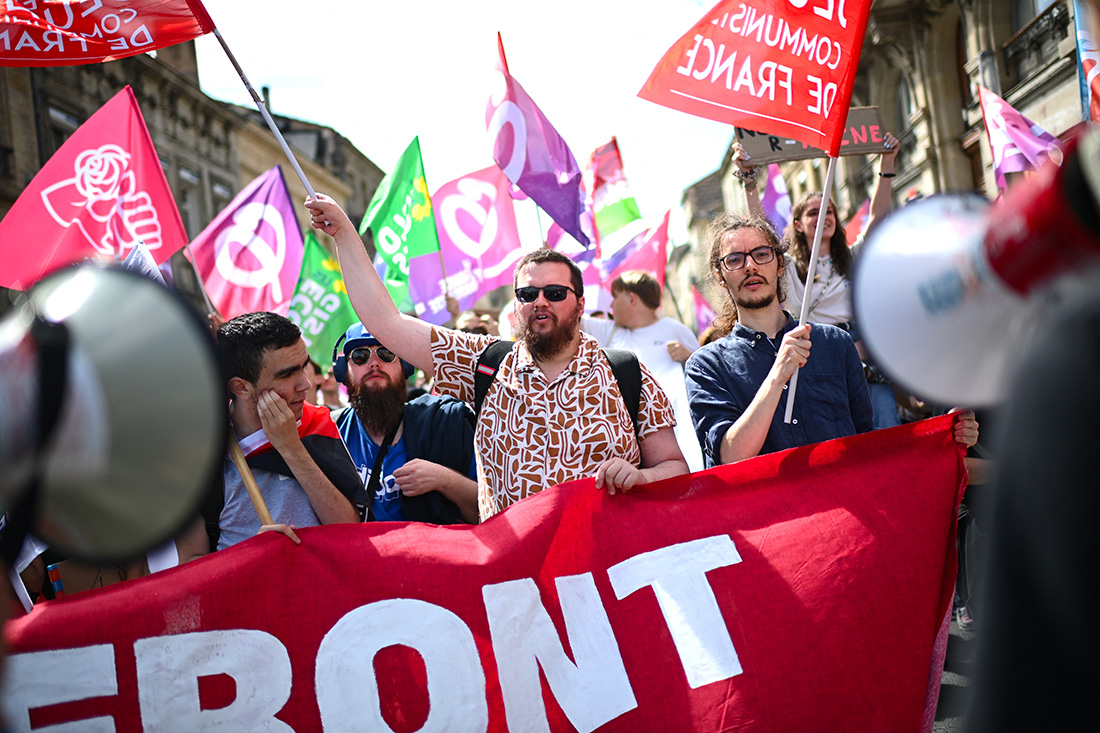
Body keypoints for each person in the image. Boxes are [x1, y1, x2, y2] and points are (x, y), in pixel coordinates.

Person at [304, 195, 688, 521]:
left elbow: (675, 467)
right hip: (520, 583)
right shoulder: (483, 365)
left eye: (555, 293)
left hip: (609, 569)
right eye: (527, 294)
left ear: (581, 304)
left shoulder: (625, 373)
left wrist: (641, 479)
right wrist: (345, 235)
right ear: (516, 305)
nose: (540, 301)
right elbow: (385, 321)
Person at [684, 215, 977, 466]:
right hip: (771, 526)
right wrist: (777, 376)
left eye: (761, 254)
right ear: (721, 277)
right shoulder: (706, 366)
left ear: (780, 265)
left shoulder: (836, 344)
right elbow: (732, 456)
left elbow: (868, 445)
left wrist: (941, 436)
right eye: (734, 259)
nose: (750, 266)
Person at [734, 133, 905, 428]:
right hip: (819, 357)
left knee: (884, 427)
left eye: (829, 211)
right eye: (814, 212)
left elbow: (877, 217)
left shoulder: (853, 257)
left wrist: (886, 162)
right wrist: (749, 181)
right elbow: (761, 229)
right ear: (798, 225)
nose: (824, 216)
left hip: (866, 360)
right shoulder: (785, 266)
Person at [203, 312, 363, 550]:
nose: (305, 385)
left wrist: (291, 448)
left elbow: (351, 530)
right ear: (242, 387)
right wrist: (253, 556)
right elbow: (190, 563)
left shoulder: (317, 424)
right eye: (287, 374)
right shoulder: (205, 449)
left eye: (304, 367)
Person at [331, 323, 479, 524]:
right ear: (343, 372)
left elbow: (490, 511)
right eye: (360, 356)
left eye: (386, 353)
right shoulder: (331, 432)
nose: (374, 363)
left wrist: (445, 480)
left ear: (404, 365)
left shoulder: (446, 421)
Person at [583, 270, 705, 472]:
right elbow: (571, 318)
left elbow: (705, 375)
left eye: (615, 297)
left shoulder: (675, 329)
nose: (611, 306)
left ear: (631, 299)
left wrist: (688, 356)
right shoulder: (610, 331)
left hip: (674, 431)